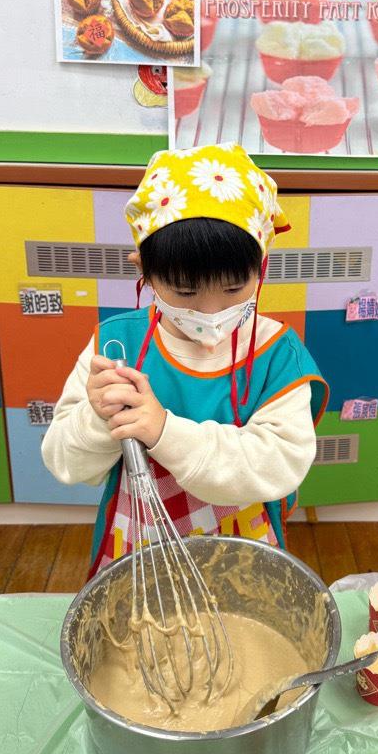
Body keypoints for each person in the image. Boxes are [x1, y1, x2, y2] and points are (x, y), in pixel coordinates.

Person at [42, 143, 328, 577]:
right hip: (141, 551)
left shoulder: (276, 354)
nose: (211, 313)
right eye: (185, 292)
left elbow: (279, 465)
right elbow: (65, 462)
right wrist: (97, 419)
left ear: (261, 265)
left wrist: (163, 431)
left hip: (242, 551)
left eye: (234, 289)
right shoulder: (115, 344)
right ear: (143, 269)